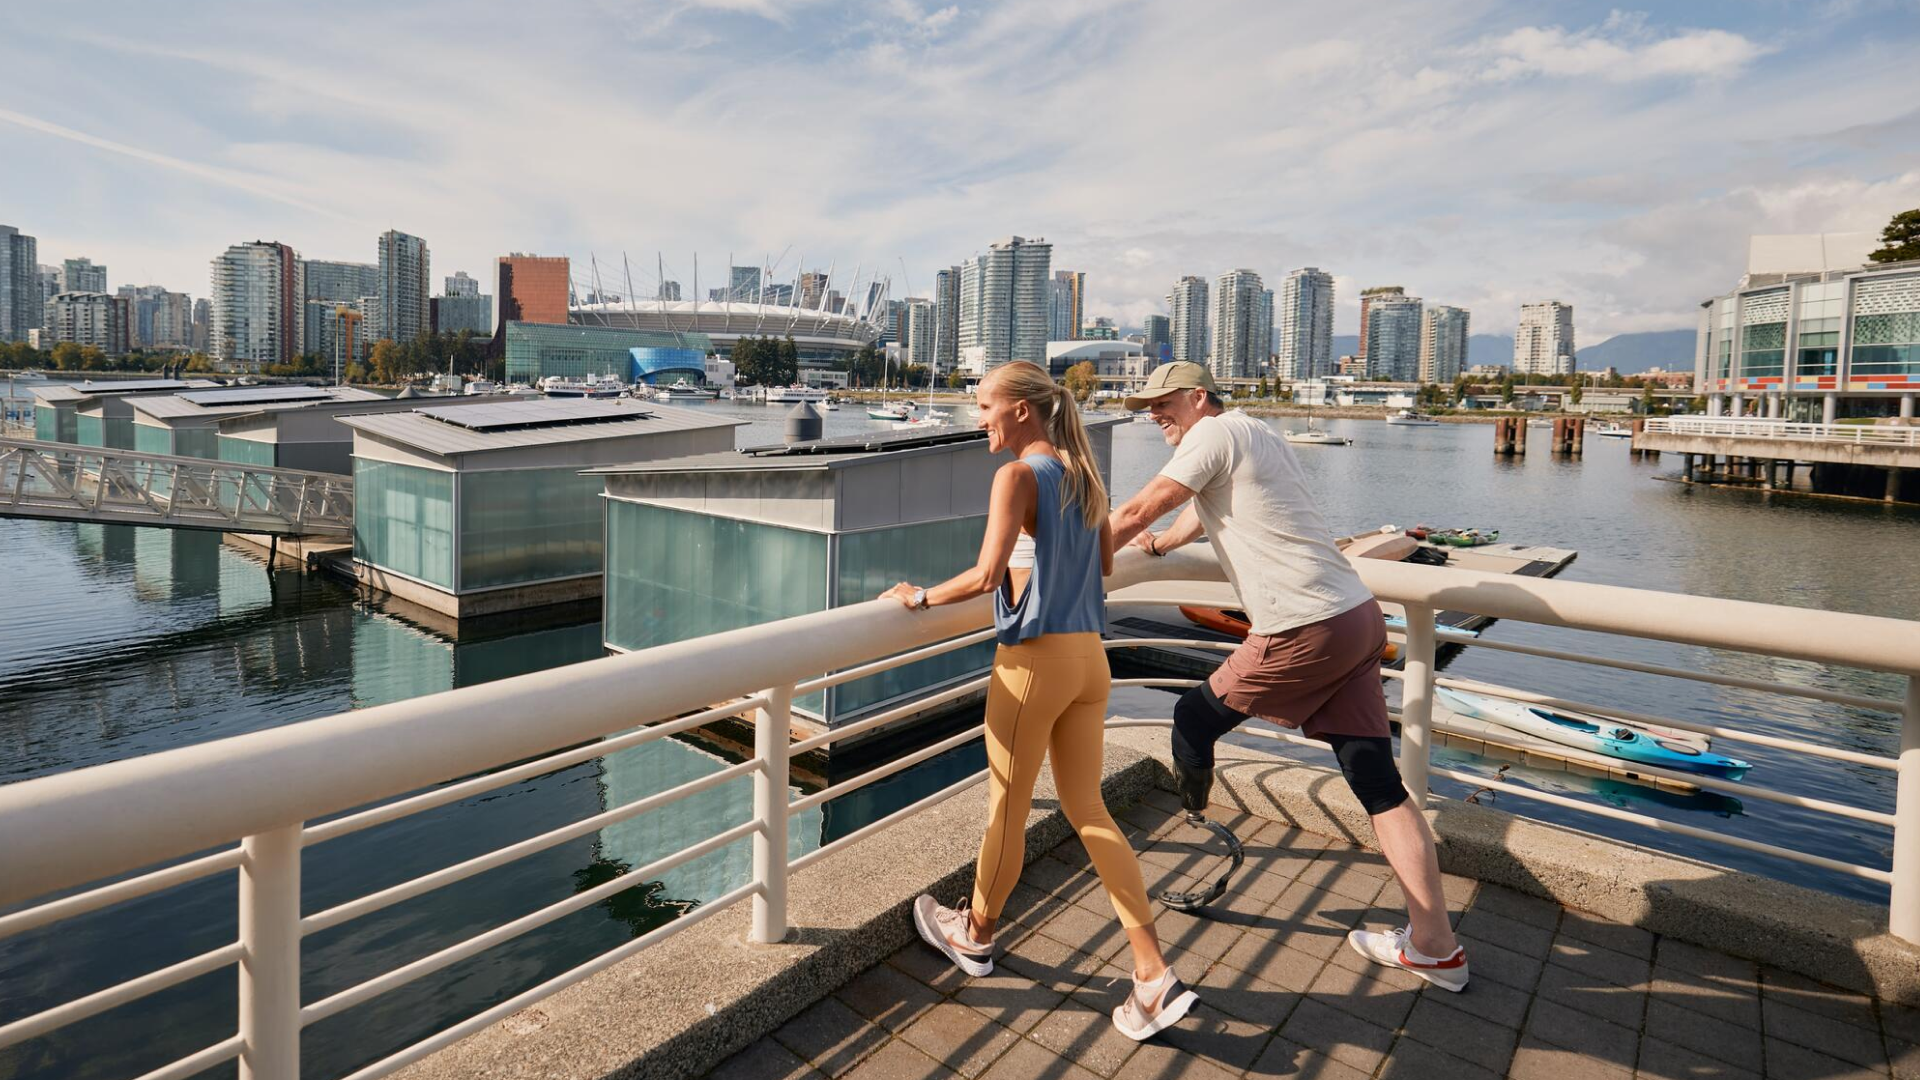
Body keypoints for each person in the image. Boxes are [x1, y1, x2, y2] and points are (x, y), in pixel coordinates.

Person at [1107, 362, 1469, 993]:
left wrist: (1062, 558)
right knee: (1380, 786)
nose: (1153, 413)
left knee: (1194, 716)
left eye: (1163, 402)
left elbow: (1143, 505)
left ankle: (1193, 814)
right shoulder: (1254, 432)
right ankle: (1437, 947)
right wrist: (1164, 547)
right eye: (1145, 405)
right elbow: (1203, 507)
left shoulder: (1211, 435)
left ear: (1198, 397)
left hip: (1304, 625)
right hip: (1355, 618)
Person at [883, 361, 1198, 1039]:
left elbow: (988, 572)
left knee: (1008, 806)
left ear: (1022, 410)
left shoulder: (1017, 476)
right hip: (1090, 661)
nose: (979, 417)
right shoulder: (1083, 475)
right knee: (1089, 810)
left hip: (1035, 665)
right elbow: (1107, 564)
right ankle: (1152, 974)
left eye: (985, 404)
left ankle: (974, 933)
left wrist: (916, 598)